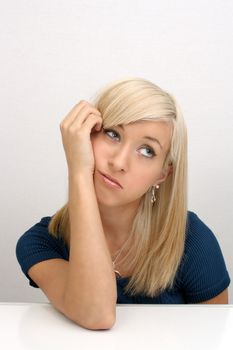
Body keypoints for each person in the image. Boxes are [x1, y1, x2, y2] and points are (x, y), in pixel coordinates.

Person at [16, 77, 230, 330]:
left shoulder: (191, 239)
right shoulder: (41, 242)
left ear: (162, 175)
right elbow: (96, 314)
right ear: (87, 137)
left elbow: (218, 339)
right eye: (112, 134)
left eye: (147, 150)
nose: (118, 162)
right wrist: (79, 172)